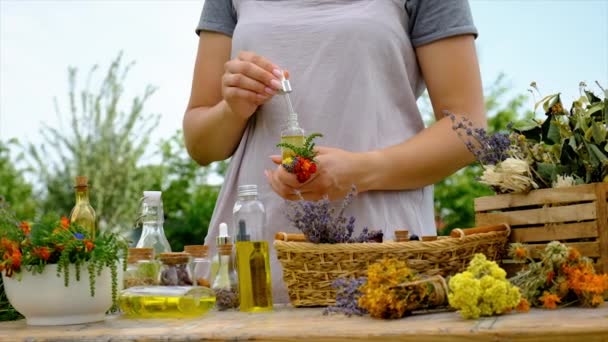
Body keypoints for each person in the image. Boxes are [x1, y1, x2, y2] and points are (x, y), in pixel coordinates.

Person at [183, 0, 486, 304]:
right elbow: (201, 145)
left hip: (383, 262)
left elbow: (467, 131)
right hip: (257, 270)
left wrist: (359, 172)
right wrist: (233, 108)